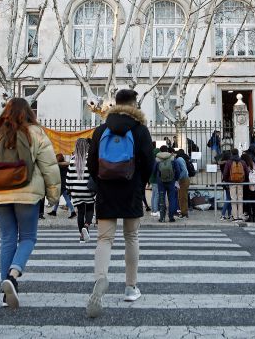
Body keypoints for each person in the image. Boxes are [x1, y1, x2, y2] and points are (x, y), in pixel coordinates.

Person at [0, 97, 60, 309]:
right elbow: (49, 167)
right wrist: (53, 196)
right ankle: (13, 275)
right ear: (29, 113)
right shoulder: (36, 133)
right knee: (28, 237)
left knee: (7, 238)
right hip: (27, 193)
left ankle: (6, 293)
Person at [85, 89, 154, 318]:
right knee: (131, 237)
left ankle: (101, 278)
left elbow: (92, 163)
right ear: (134, 105)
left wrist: (100, 181)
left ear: (115, 104)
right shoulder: (140, 130)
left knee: (104, 238)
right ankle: (130, 287)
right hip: (131, 188)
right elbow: (148, 164)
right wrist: (140, 182)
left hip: (106, 188)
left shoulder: (101, 130)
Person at [67, 138, 95, 242]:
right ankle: (86, 226)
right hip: (87, 190)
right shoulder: (90, 159)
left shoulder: (73, 159)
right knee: (90, 208)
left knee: (80, 212)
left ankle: (81, 236)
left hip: (76, 190)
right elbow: (93, 174)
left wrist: (69, 189)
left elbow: (68, 176)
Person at [155, 145, 180, 223]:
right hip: (171, 181)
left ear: (160, 151)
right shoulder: (172, 158)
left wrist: (156, 178)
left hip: (160, 182)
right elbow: (178, 170)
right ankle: (171, 217)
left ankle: (162, 218)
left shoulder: (157, 159)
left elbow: (153, 170)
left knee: (161, 198)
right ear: (167, 150)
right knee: (172, 198)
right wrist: (175, 178)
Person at [222, 150, 249, 221]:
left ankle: (235, 216)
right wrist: (245, 181)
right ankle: (240, 215)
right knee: (240, 198)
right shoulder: (242, 162)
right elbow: (246, 172)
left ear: (231, 153)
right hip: (240, 182)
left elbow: (225, 173)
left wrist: (226, 180)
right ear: (238, 153)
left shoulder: (229, 162)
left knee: (233, 198)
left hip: (232, 182)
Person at [244, 153, 255, 223]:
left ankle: (250, 216)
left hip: (248, 187)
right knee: (254, 202)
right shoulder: (253, 164)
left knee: (248, 202)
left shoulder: (245, 165)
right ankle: (254, 216)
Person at [174, 149, 191, 219]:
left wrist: (178, 178)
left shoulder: (179, 160)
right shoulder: (181, 159)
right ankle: (183, 212)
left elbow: (184, 170)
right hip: (184, 179)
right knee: (182, 197)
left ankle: (184, 213)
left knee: (182, 197)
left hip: (183, 180)